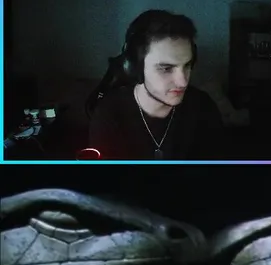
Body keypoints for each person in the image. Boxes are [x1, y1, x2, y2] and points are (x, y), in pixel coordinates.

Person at [87, 10, 224, 161]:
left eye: (187, 65)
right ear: (136, 67)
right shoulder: (109, 113)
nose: (183, 82)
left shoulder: (203, 107)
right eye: (166, 68)